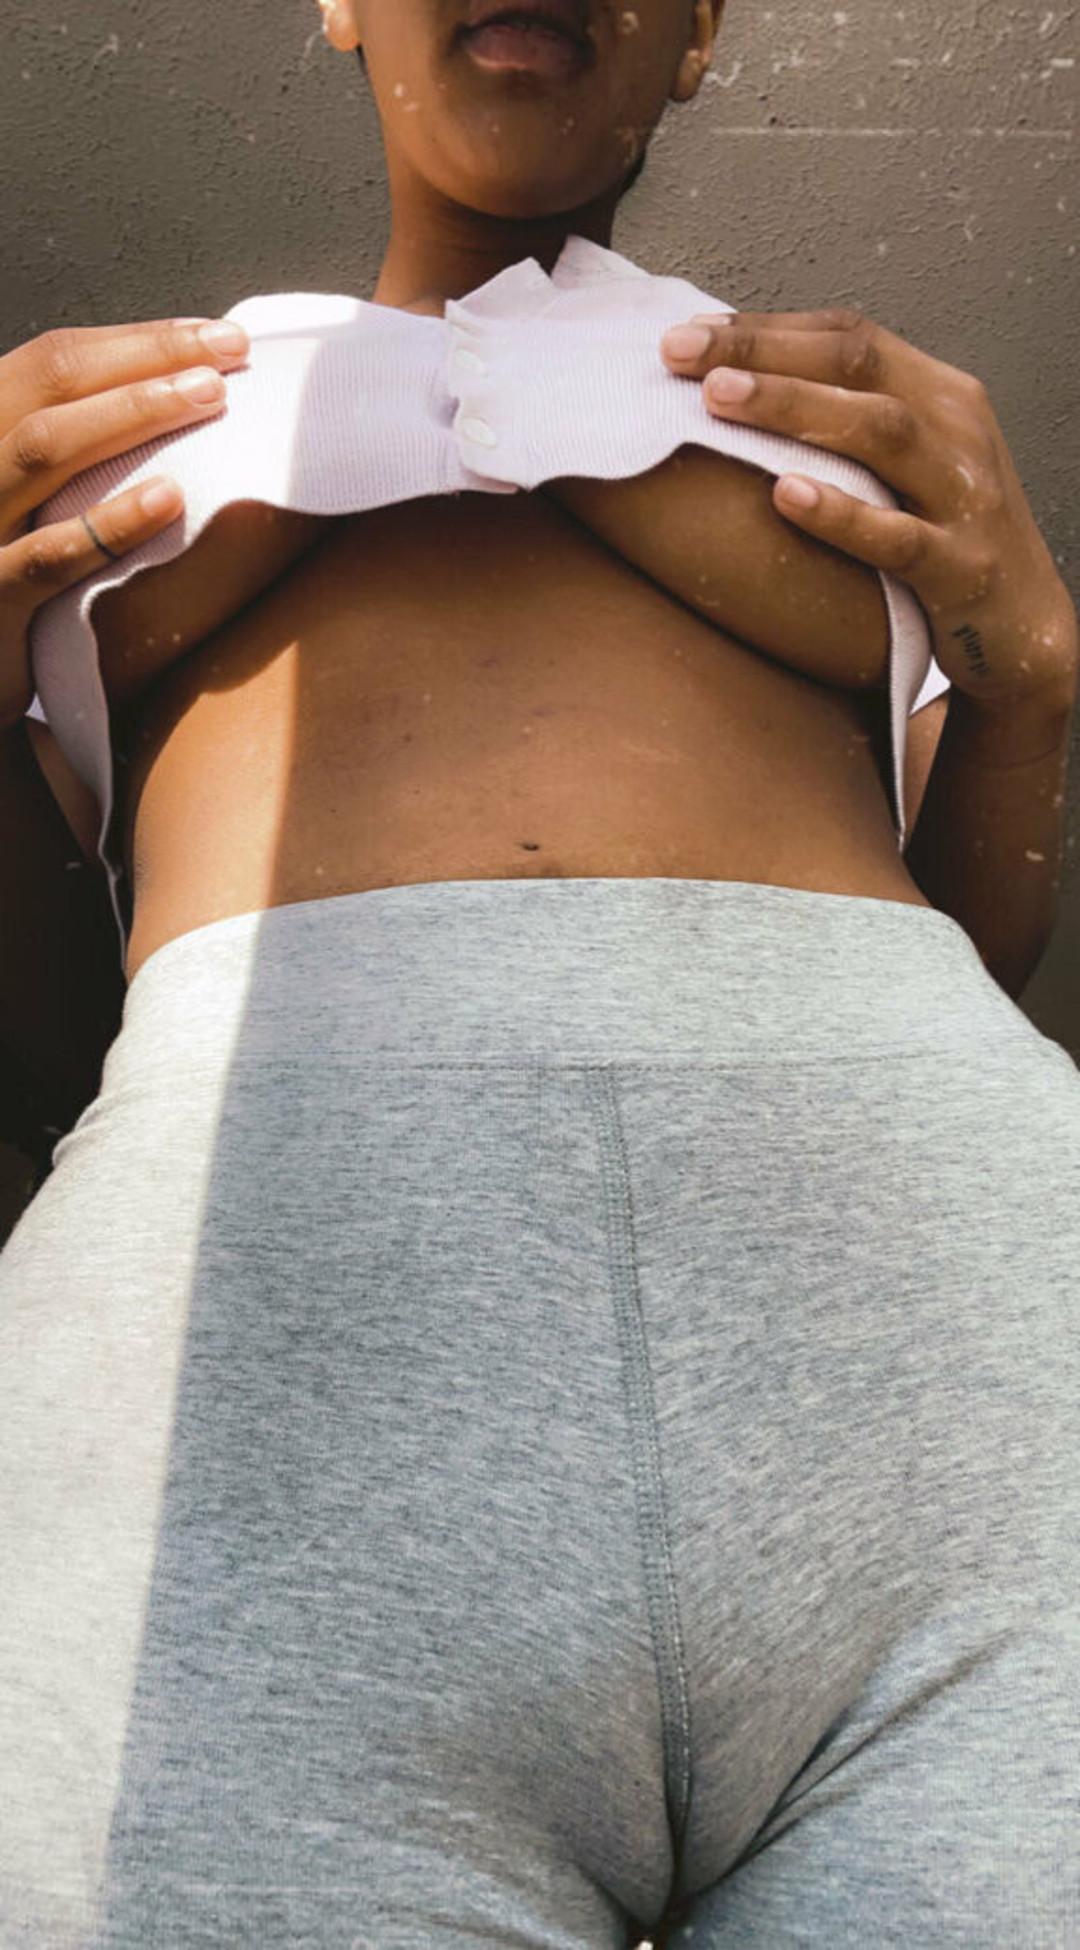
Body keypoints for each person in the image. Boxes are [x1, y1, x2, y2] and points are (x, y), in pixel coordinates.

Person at [0, 3, 1077, 1944]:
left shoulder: (852, 439)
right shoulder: (120, 445)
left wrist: (1040, 687)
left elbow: (979, 953)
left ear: (700, 35)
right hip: (272, 1404)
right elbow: (53, 1053)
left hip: (969, 1387)